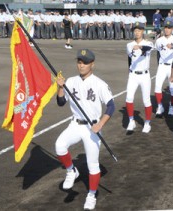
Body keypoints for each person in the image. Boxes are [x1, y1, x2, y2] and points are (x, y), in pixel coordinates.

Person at [55, 48, 115, 210]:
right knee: (59, 146)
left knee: (92, 164)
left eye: (85, 63)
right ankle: (71, 171)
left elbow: (111, 106)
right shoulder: (71, 81)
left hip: (92, 127)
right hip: (75, 124)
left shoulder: (99, 84)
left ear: (92, 65)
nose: (81, 66)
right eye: (79, 62)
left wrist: (101, 124)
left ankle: (91, 194)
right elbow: (61, 103)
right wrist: (60, 87)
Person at [125, 22, 154, 133]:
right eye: (135, 30)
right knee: (129, 98)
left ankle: (147, 123)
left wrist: (140, 46)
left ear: (143, 31)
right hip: (133, 75)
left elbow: (148, 48)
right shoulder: (129, 45)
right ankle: (131, 121)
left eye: (139, 30)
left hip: (145, 75)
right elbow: (129, 58)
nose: (137, 32)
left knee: (146, 100)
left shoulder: (148, 43)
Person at [154, 20, 173, 116]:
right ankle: (160, 106)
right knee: (157, 87)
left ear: (172, 29)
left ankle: (172, 106)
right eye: (166, 27)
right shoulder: (159, 40)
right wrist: (159, 64)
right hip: (162, 66)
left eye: (169, 28)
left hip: (172, 67)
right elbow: (158, 53)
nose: (167, 29)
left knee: (172, 88)